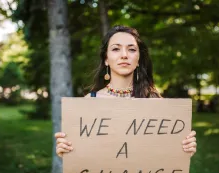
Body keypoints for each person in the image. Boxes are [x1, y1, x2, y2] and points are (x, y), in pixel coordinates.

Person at [55, 25, 197, 157]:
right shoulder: (89, 102)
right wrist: (66, 153)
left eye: (132, 49)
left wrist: (184, 149)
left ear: (139, 59)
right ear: (106, 59)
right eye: (116, 49)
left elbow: (166, 154)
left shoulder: (154, 101)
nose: (124, 55)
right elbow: (82, 156)